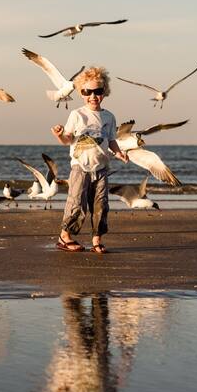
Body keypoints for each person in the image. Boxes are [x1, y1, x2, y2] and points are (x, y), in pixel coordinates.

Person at [50, 67, 127, 253]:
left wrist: (118, 152)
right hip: (80, 167)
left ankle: (97, 240)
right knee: (77, 202)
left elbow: (111, 140)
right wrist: (60, 135)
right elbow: (68, 139)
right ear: (81, 92)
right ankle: (65, 236)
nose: (93, 96)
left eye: (98, 91)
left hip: (101, 167)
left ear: (104, 92)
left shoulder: (109, 117)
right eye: (87, 92)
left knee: (101, 204)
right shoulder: (77, 115)